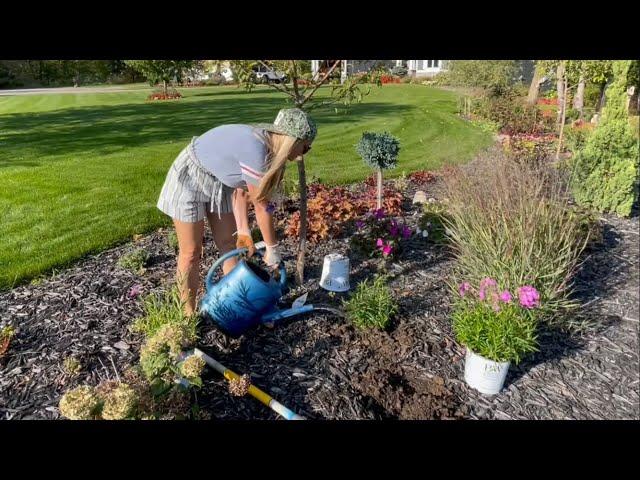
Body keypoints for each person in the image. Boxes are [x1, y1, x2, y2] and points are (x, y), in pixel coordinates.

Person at [157, 108, 317, 315]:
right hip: (191, 178)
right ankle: (187, 315)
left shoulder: (268, 150)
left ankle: (232, 304)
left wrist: (243, 231)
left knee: (227, 244)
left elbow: (242, 193)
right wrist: (272, 249)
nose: (302, 155)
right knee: (191, 252)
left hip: (219, 184)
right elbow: (261, 207)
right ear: (292, 140)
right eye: (305, 148)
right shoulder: (257, 149)